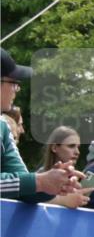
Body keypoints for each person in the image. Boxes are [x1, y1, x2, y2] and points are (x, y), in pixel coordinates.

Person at [1, 48, 80, 201]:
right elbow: (29, 182)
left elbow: (24, 186)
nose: (16, 90)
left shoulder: (2, 126)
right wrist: (39, 181)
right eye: (14, 83)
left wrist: (54, 183)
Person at [38, 126, 91, 209]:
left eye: (78, 147)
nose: (77, 152)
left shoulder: (76, 179)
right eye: (71, 146)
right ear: (54, 148)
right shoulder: (39, 177)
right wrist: (64, 200)